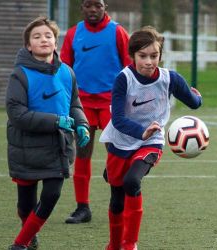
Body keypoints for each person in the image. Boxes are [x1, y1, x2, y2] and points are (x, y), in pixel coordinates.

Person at [99, 26, 203, 250]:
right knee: (116, 200)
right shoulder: (123, 79)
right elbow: (117, 119)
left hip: (151, 143)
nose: (148, 61)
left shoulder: (170, 79)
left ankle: (130, 244)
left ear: (160, 55)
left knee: (131, 182)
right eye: (142, 56)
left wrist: (197, 98)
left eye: (154, 56)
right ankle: (114, 244)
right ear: (133, 56)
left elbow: (193, 103)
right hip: (120, 141)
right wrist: (139, 131)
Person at [5, 16, 90, 250]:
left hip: (58, 147)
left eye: (48, 36)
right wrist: (56, 121)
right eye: (37, 36)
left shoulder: (67, 73)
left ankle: (20, 244)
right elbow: (17, 115)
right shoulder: (19, 75)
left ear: (56, 42)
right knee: (26, 205)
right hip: (26, 148)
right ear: (28, 46)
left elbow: (74, 103)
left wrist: (81, 123)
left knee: (52, 194)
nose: (43, 39)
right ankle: (30, 236)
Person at [60, 0, 131, 224]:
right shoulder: (74, 34)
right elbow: (64, 69)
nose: (93, 10)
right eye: (88, 5)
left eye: (98, 5)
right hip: (82, 104)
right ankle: (83, 208)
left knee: (118, 153)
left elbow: (130, 66)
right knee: (82, 153)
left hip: (113, 103)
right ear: (82, 7)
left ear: (105, 6)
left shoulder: (118, 32)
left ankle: (118, 204)